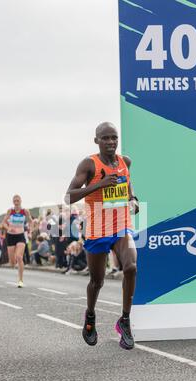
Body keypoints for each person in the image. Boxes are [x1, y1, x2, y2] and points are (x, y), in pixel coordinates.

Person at [65, 122, 139, 350]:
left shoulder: (124, 162)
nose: (110, 142)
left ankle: (124, 321)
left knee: (131, 267)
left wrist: (133, 200)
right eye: (105, 138)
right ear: (96, 141)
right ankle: (90, 316)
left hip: (121, 227)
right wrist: (98, 184)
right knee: (97, 282)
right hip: (97, 231)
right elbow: (69, 197)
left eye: (114, 137)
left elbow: (128, 189)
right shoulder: (89, 164)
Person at [2, 194, 32, 288]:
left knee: (19, 257)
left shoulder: (25, 211)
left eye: (17, 200)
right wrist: (8, 228)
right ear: (13, 202)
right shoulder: (10, 211)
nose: (16, 202)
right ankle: (13, 262)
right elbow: (3, 222)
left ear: (20, 201)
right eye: (14, 200)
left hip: (20, 236)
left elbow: (31, 221)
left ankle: (20, 280)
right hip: (10, 236)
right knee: (12, 262)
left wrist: (30, 231)